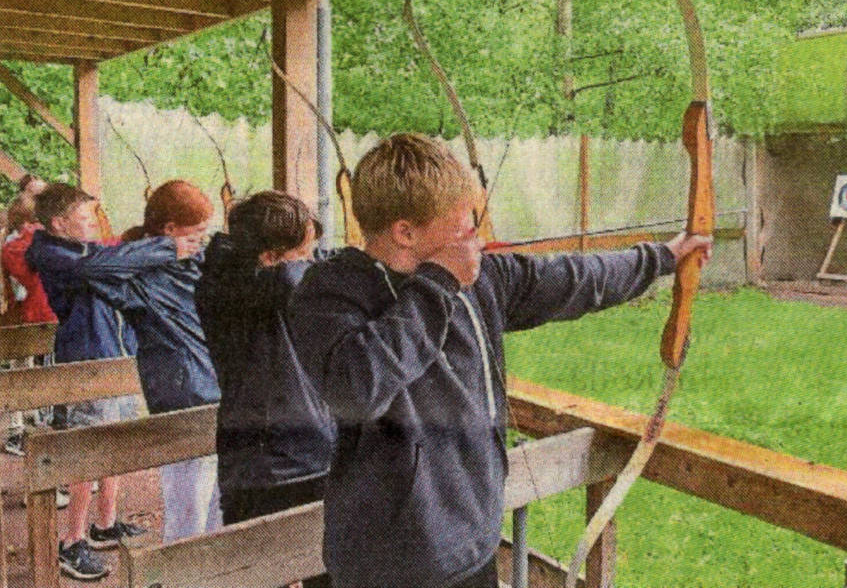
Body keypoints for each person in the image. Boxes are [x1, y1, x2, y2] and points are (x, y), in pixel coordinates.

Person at [289, 134, 711, 588]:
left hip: (473, 543)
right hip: (387, 563)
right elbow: (356, 391)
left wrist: (662, 258)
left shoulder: (481, 277)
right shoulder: (329, 293)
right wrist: (437, 285)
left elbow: (576, 278)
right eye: (461, 223)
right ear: (405, 232)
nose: (474, 233)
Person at [27, 183, 194, 581]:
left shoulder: (87, 252)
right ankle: (71, 541)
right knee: (89, 449)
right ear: (58, 224)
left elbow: (117, 264)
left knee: (116, 444)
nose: (94, 225)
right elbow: (100, 267)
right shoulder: (53, 253)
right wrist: (169, 247)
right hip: (88, 360)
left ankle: (105, 524)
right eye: (85, 219)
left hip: (117, 357)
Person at [197, 191, 335, 588]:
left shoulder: (250, 279)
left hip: (300, 458)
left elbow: (304, 273)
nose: (312, 260)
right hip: (265, 469)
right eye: (304, 252)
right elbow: (297, 278)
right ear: (271, 256)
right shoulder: (230, 289)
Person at [106, 179, 222, 542]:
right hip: (181, 396)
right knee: (187, 509)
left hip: (213, 390)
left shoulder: (193, 263)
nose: (203, 238)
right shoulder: (140, 275)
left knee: (220, 505)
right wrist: (161, 250)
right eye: (197, 230)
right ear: (170, 230)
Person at [2, 193, 59, 457]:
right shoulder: (15, 247)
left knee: (32, 374)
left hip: (31, 316)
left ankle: (32, 425)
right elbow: (24, 282)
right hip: (28, 318)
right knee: (27, 376)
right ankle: (20, 431)